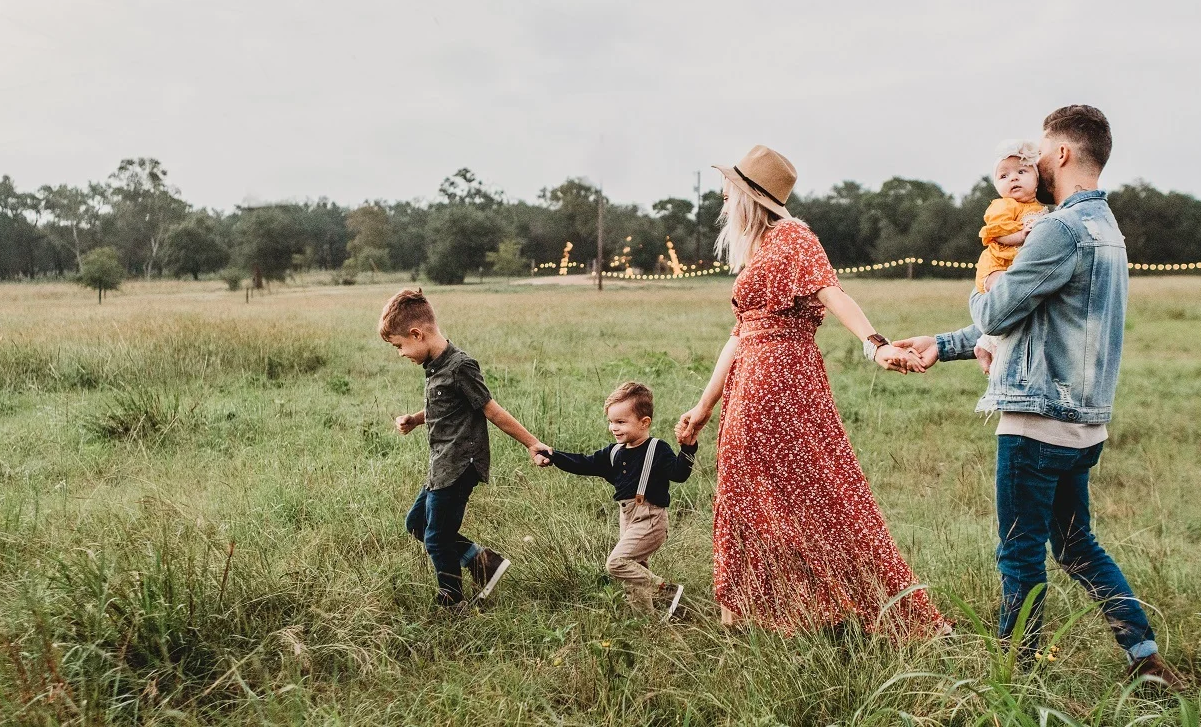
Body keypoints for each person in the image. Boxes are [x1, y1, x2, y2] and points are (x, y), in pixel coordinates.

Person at [894, 106, 1185, 688]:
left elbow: (1000, 309)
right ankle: (1145, 658)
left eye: (1042, 151)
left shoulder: (1057, 228)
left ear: (1064, 154)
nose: (1033, 163)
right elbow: (1037, 319)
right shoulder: (1107, 229)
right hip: (1084, 423)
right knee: (1077, 545)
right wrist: (944, 344)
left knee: (1018, 551)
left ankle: (1015, 676)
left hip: (1036, 420)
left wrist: (983, 285)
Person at [675, 144, 948, 635]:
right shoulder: (760, 248)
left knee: (817, 494)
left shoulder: (793, 237)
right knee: (747, 495)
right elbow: (738, 335)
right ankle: (752, 614)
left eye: (728, 188)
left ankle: (839, 607)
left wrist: (875, 344)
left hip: (782, 382)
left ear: (749, 196)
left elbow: (833, 292)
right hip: (750, 384)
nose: (721, 195)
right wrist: (703, 406)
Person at [380, 288, 552, 609]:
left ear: (417, 334)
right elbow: (444, 409)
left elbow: (492, 410)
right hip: (441, 465)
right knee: (417, 524)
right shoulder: (434, 367)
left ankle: (452, 600)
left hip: (460, 465)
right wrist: (416, 419)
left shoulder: (460, 366)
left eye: (399, 346)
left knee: (436, 537)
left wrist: (533, 443)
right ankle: (483, 563)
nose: (401, 353)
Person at [537, 382, 697, 620]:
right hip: (628, 518)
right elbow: (584, 463)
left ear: (644, 423)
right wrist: (553, 456)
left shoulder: (657, 448)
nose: (614, 427)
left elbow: (679, 474)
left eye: (621, 422)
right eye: (611, 421)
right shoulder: (614, 453)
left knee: (617, 563)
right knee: (634, 575)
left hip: (651, 519)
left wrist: (688, 448)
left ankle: (666, 591)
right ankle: (647, 625)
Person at [974, 140, 1048, 355]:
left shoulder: (1039, 208)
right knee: (1004, 297)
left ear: (1037, 179)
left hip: (1015, 265)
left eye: (1021, 171)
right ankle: (989, 343)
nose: (1013, 178)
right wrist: (1020, 235)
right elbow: (998, 233)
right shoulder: (1004, 205)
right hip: (997, 264)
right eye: (1003, 176)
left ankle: (989, 344)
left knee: (1016, 304)